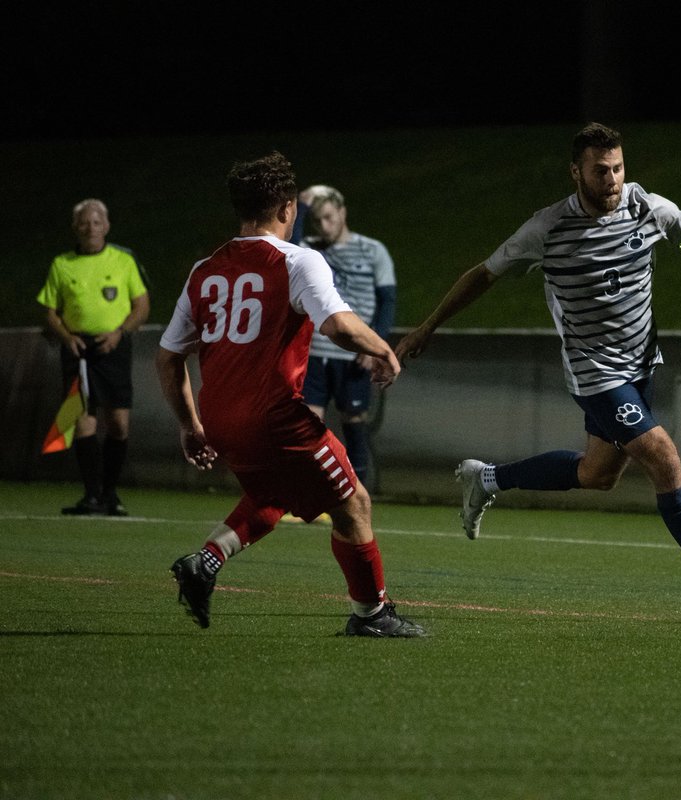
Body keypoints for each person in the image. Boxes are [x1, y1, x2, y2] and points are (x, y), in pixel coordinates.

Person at [395, 122, 681, 624]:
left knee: (598, 475)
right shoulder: (546, 230)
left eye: (617, 168)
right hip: (595, 373)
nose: (611, 180)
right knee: (664, 458)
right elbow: (483, 275)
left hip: (640, 365)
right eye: (599, 171)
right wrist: (429, 326)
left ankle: (488, 479)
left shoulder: (649, 208)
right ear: (576, 173)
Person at [157, 151, 424, 638]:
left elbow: (168, 356)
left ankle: (205, 562)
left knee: (270, 494)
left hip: (220, 418)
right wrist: (384, 349)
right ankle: (372, 614)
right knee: (354, 504)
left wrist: (190, 424)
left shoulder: (204, 269)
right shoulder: (298, 260)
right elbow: (339, 325)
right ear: (286, 208)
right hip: (275, 417)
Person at [37, 199, 150, 516]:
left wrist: (120, 333)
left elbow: (141, 306)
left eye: (97, 222)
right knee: (83, 421)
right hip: (77, 350)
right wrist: (66, 337)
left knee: (118, 424)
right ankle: (91, 496)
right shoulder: (62, 263)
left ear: (107, 226)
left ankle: (111, 494)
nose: (91, 227)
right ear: (75, 227)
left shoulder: (123, 261)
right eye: (84, 222)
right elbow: (49, 312)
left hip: (114, 346)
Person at [298, 185, 397, 490]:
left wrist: (374, 346)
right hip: (314, 352)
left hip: (352, 354)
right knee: (307, 426)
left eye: (328, 218)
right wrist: (302, 205)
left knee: (354, 422)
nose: (324, 226)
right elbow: (287, 243)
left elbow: (387, 301)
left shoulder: (372, 250)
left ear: (342, 212)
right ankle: (310, 496)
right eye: (318, 221)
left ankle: (357, 494)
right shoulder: (310, 249)